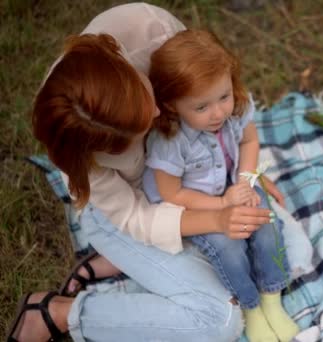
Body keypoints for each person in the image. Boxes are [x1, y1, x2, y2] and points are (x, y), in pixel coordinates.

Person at [5, 3, 285, 342]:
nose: (156, 111)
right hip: (134, 211)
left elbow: (206, 92)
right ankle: (59, 312)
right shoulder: (77, 146)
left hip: (192, 185)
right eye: (139, 130)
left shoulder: (148, 29)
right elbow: (138, 217)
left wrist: (241, 172)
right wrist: (216, 219)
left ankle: (122, 261)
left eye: (145, 93)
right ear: (100, 151)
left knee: (270, 250)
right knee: (219, 318)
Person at [142, 29, 299, 342]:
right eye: (201, 108)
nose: (218, 113)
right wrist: (223, 205)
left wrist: (246, 180)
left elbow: (249, 140)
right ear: (172, 104)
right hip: (196, 204)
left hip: (233, 183)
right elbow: (173, 194)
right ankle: (251, 308)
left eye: (223, 97)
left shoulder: (236, 105)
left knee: (265, 225)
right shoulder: (170, 141)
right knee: (229, 248)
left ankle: (271, 297)